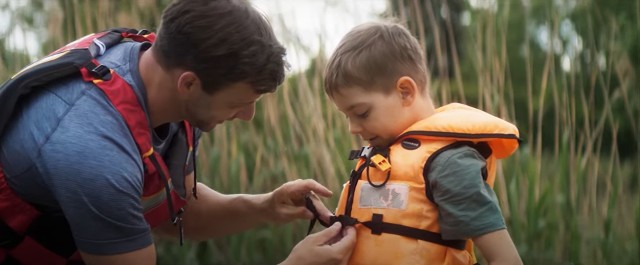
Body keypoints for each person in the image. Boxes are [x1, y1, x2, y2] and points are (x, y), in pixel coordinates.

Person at [0, 0, 354, 264]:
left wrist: (264, 206)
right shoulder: (95, 152)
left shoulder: (161, 74)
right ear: (189, 84)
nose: (247, 116)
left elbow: (172, 211)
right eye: (240, 102)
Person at [321, 21, 523, 265]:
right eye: (347, 116)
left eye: (362, 113)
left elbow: (505, 258)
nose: (352, 128)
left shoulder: (449, 165)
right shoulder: (384, 158)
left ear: (405, 91)